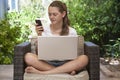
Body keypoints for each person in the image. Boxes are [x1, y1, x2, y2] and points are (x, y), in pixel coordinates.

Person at [25, 1, 88, 75]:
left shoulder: (72, 31)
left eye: (54, 14)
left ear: (63, 14)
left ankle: (43, 73)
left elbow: (74, 55)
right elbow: (39, 54)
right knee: (28, 57)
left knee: (84, 58)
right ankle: (65, 71)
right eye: (49, 14)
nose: (51, 17)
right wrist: (39, 35)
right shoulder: (43, 29)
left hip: (66, 63)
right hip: (46, 63)